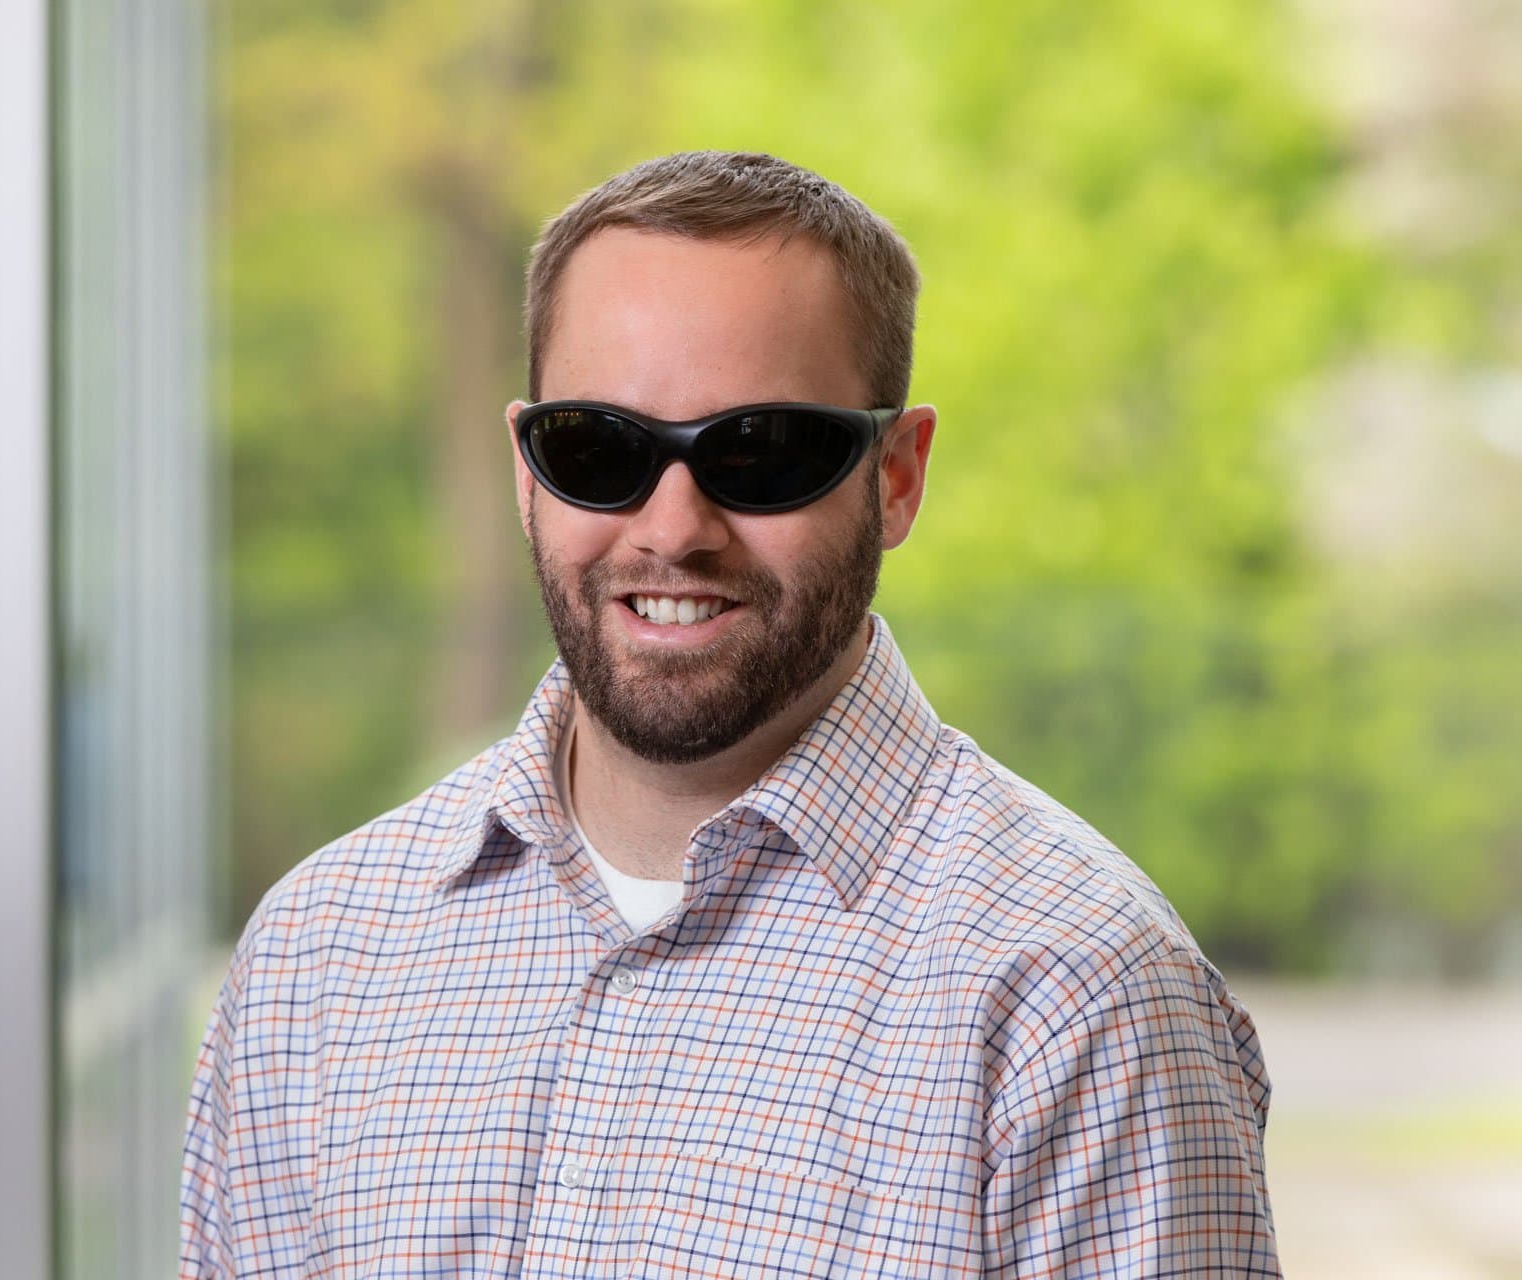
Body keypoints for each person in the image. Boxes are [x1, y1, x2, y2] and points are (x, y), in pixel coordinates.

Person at [180, 150, 1282, 1278]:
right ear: (526, 470)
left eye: (759, 452)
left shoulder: (1076, 991)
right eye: (598, 448)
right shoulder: (317, 955)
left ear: (895, 476)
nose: (671, 528)